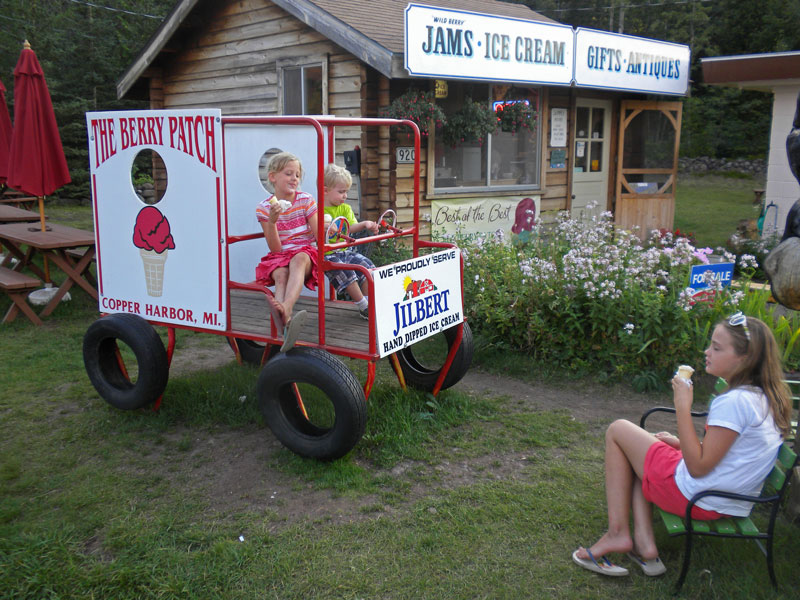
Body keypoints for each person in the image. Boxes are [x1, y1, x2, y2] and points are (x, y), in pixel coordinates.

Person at [572, 312, 792, 577]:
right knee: (647, 448)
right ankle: (645, 544)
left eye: (717, 348)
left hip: (698, 497)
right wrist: (679, 443)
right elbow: (732, 453)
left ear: (745, 359)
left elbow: (698, 467)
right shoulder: (764, 397)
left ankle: (617, 533)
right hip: (726, 498)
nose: (707, 351)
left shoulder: (733, 402)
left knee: (618, 430)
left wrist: (682, 406)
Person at [255, 151, 319, 352]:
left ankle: (287, 307)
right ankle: (284, 322)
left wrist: (327, 227)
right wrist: (273, 221)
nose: (294, 179)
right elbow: (275, 249)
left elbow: (318, 237)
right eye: (288, 173)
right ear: (273, 177)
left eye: (297, 175)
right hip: (281, 255)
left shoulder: (305, 200)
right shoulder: (264, 208)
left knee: (298, 259)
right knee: (281, 274)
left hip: (305, 252)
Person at [322, 163, 378, 319]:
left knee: (367, 267)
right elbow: (312, 230)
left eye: (346, 191)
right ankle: (362, 305)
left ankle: (367, 305)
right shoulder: (316, 209)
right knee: (347, 272)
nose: (345, 196)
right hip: (325, 253)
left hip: (343, 250)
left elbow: (350, 228)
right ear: (325, 190)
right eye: (341, 192)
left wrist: (365, 224)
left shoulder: (345, 209)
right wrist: (323, 226)